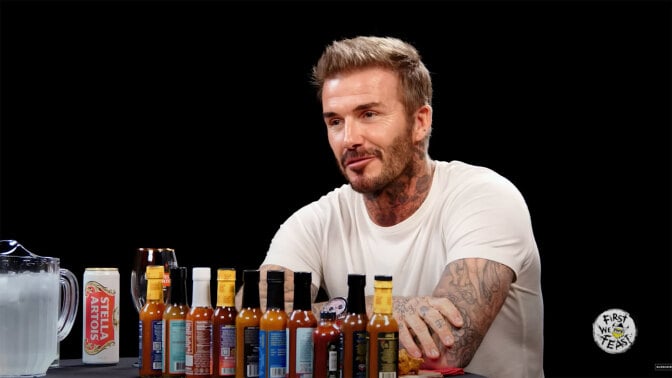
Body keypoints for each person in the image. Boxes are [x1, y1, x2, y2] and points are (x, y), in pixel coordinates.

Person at [242, 35, 544, 378]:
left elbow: (446, 350)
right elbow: (247, 328)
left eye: (368, 114)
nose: (349, 138)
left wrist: (312, 322)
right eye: (335, 121)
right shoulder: (317, 220)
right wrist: (366, 309)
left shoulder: (484, 198)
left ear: (420, 122)